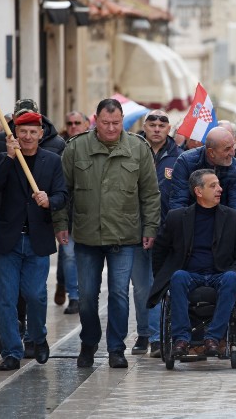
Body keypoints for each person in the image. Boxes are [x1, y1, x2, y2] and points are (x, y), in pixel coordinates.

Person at [56, 98, 160, 369]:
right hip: (87, 236)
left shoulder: (138, 149)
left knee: (119, 294)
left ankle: (116, 348)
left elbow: (150, 194)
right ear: (95, 121)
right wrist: (60, 224)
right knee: (87, 296)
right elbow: (62, 192)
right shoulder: (76, 148)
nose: (112, 128)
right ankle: (89, 341)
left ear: (122, 120)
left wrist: (150, 228)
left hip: (126, 237)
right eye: (106, 123)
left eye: (116, 123)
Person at [0, 100, 66, 356]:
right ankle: (12, 352)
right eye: (22, 131)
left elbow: (63, 195)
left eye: (32, 132)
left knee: (35, 295)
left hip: (37, 239)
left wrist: (50, 200)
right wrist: (8, 159)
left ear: (40, 134)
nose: (27, 136)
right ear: (15, 133)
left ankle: (37, 336)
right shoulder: (5, 157)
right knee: (5, 299)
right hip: (7, 240)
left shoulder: (52, 161)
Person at [148, 169, 236, 358]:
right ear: (198, 191)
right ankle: (181, 338)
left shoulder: (232, 218)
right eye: (213, 186)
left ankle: (213, 337)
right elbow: (160, 250)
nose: (219, 189)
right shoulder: (177, 217)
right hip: (189, 274)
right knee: (177, 277)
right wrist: (161, 277)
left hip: (220, 273)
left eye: (219, 185)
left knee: (232, 277)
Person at [130, 110, 183, 358]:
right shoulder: (131, 150)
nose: (157, 129)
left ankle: (158, 336)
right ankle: (144, 332)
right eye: (152, 124)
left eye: (162, 124)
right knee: (141, 287)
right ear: (145, 126)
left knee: (162, 285)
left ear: (169, 128)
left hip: (166, 232)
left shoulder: (179, 158)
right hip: (135, 230)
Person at [55, 110, 89, 315]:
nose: (73, 126)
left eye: (78, 122)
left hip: (88, 214)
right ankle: (74, 297)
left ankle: (66, 284)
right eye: (70, 123)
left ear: (86, 124)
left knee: (82, 257)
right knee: (68, 255)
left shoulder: (94, 144)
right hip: (67, 213)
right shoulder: (59, 147)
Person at [169, 127, 236, 216]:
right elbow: (179, 201)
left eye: (233, 146)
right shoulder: (185, 161)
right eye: (227, 149)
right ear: (211, 152)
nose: (233, 153)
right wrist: (184, 227)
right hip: (191, 219)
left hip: (222, 223)